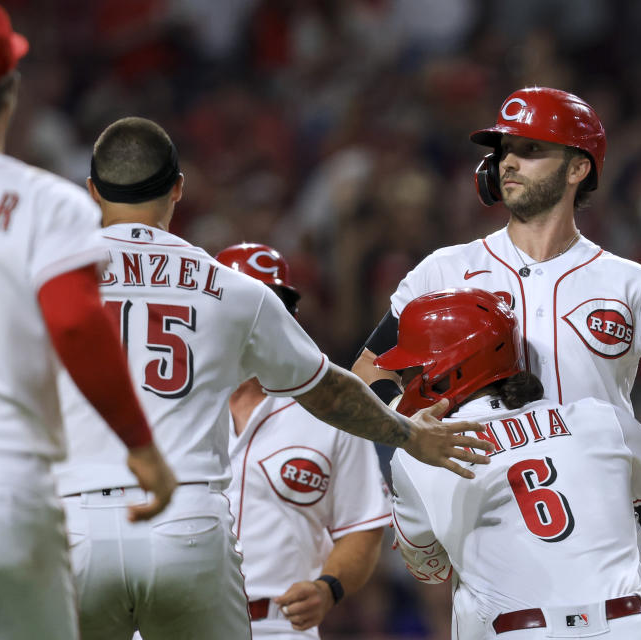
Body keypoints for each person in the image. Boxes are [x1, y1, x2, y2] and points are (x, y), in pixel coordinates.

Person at [353, 86, 641, 639]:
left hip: (610, 552)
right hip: (491, 547)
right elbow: (368, 374)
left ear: (579, 168)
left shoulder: (627, 283)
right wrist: (412, 432)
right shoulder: (444, 270)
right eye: (504, 148)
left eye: (530, 148)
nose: (508, 160)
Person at [52, 117, 493, 640]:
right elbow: (327, 390)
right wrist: (409, 435)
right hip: (187, 522)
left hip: (74, 520)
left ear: (92, 191)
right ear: (178, 189)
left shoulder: (43, 278)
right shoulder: (231, 288)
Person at [0, 4, 176, 639]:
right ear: (11, 92)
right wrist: (141, 446)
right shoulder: (47, 202)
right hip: (8, 488)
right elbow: (77, 325)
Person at [384, 287, 641, 640]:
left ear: (448, 369)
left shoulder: (419, 455)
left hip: (522, 631)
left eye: (411, 368)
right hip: (633, 626)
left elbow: (430, 569)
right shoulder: (600, 417)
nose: (402, 379)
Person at [217, 242, 391, 638]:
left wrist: (327, 589)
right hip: (171, 620)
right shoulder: (174, 400)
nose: (258, 318)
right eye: (245, 302)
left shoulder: (332, 409)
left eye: (273, 305)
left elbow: (361, 526)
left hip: (278, 627)